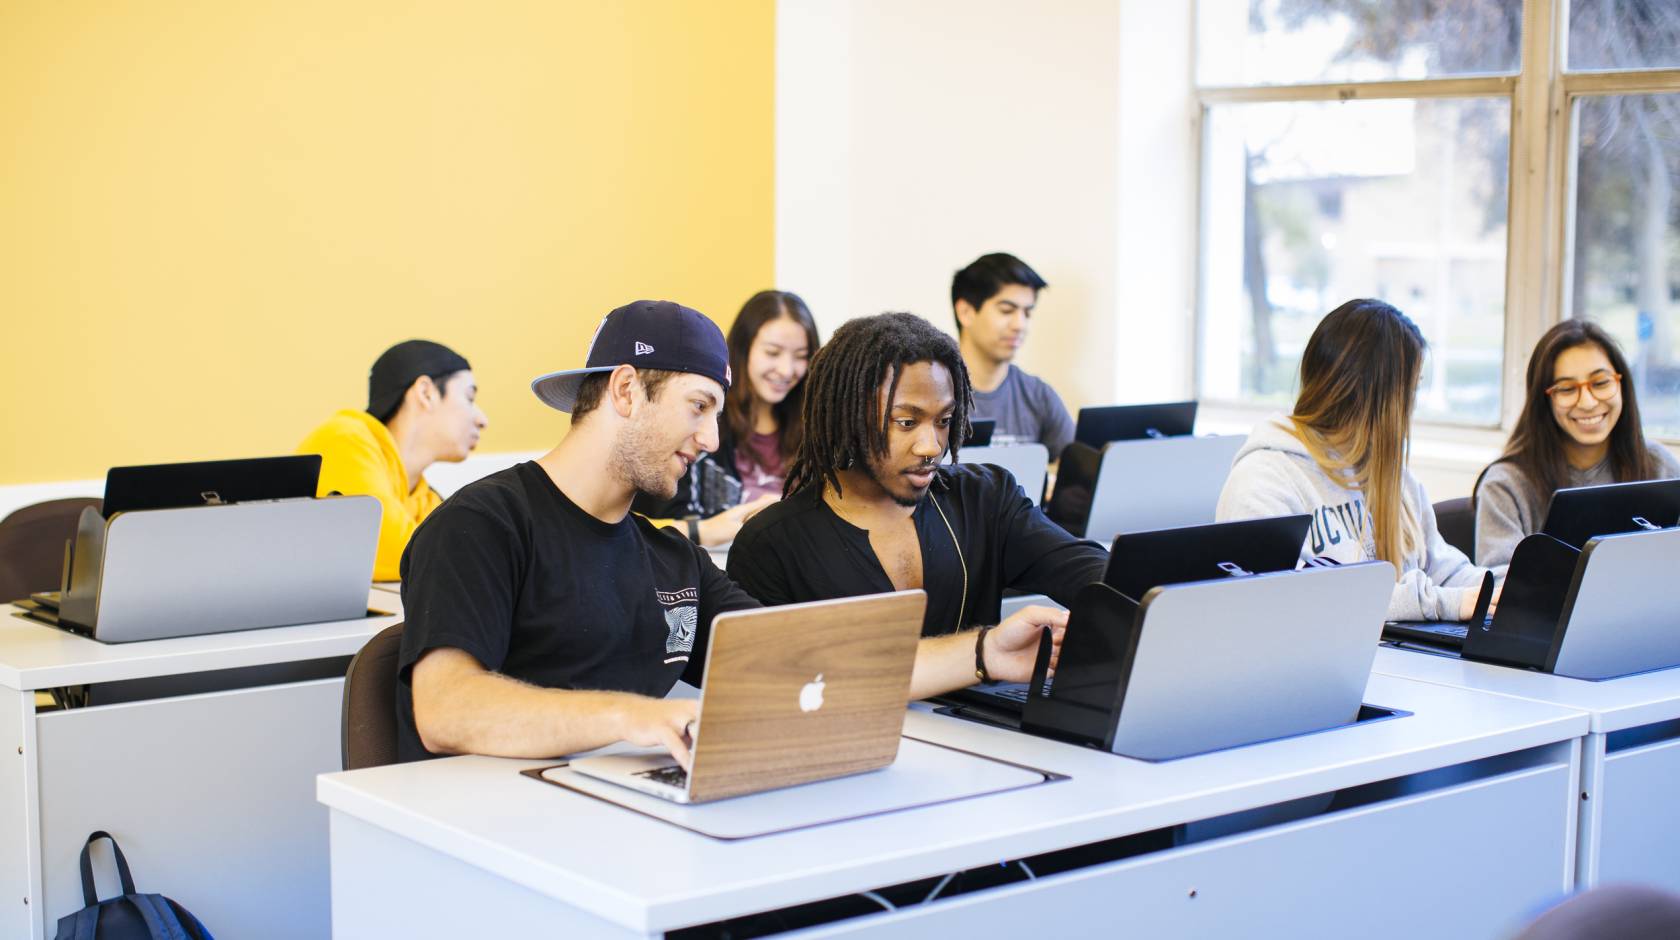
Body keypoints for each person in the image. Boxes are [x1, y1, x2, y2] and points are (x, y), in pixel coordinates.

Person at [396, 300, 1066, 766]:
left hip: (617, 827)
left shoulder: (668, 560)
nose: (712, 438)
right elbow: (446, 706)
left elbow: (811, 667)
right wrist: (636, 719)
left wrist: (983, 653)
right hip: (497, 843)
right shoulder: (483, 524)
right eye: (699, 407)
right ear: (626, 391)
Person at [728, 312, 1109, 637]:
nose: (931, 447)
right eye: (906, 422)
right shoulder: (773, 545)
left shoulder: (985, 499)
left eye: (944, 421)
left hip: (972, 726)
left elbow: (1092, 574)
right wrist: (981, 653)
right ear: (848, 417)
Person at [1216, 299, 1492, 622]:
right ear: (1375, 397)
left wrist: (1506, 590)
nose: (1411, 408)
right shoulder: (1262, 482)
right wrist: (1448, 603)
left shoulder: (1394, 477)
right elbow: (1301, 606)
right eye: (1410, 393)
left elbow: (1444, 569)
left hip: (1395, 654)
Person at [1475, 320, 1680, 570]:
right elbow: (1501, 590)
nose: (1587, 402)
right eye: (1567, 389)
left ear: (1621, 385)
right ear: (1545, 399)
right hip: (1549, 610)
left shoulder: (1659, 465)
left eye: (1601, 383)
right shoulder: (1506, 484)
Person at [632, 290, 820, 545]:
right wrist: (706, 530)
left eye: (801, 356)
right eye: (773, 353)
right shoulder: (698, 422)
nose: (787, 370)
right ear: (743, 349)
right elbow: (638, 523)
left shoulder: (814, 432)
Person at [297, 339, 486, 582]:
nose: (482, 419)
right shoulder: (345, 439)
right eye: (469, 398)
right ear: (426, 392)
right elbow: (402, 555)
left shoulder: (422, 496)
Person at [952, 253, 1075, 459]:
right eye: (1007, 310)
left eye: (1027, 313)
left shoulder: (1038, 396)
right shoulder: (932, 394)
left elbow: (1077, 472)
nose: (1020, 325)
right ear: (966, 312)